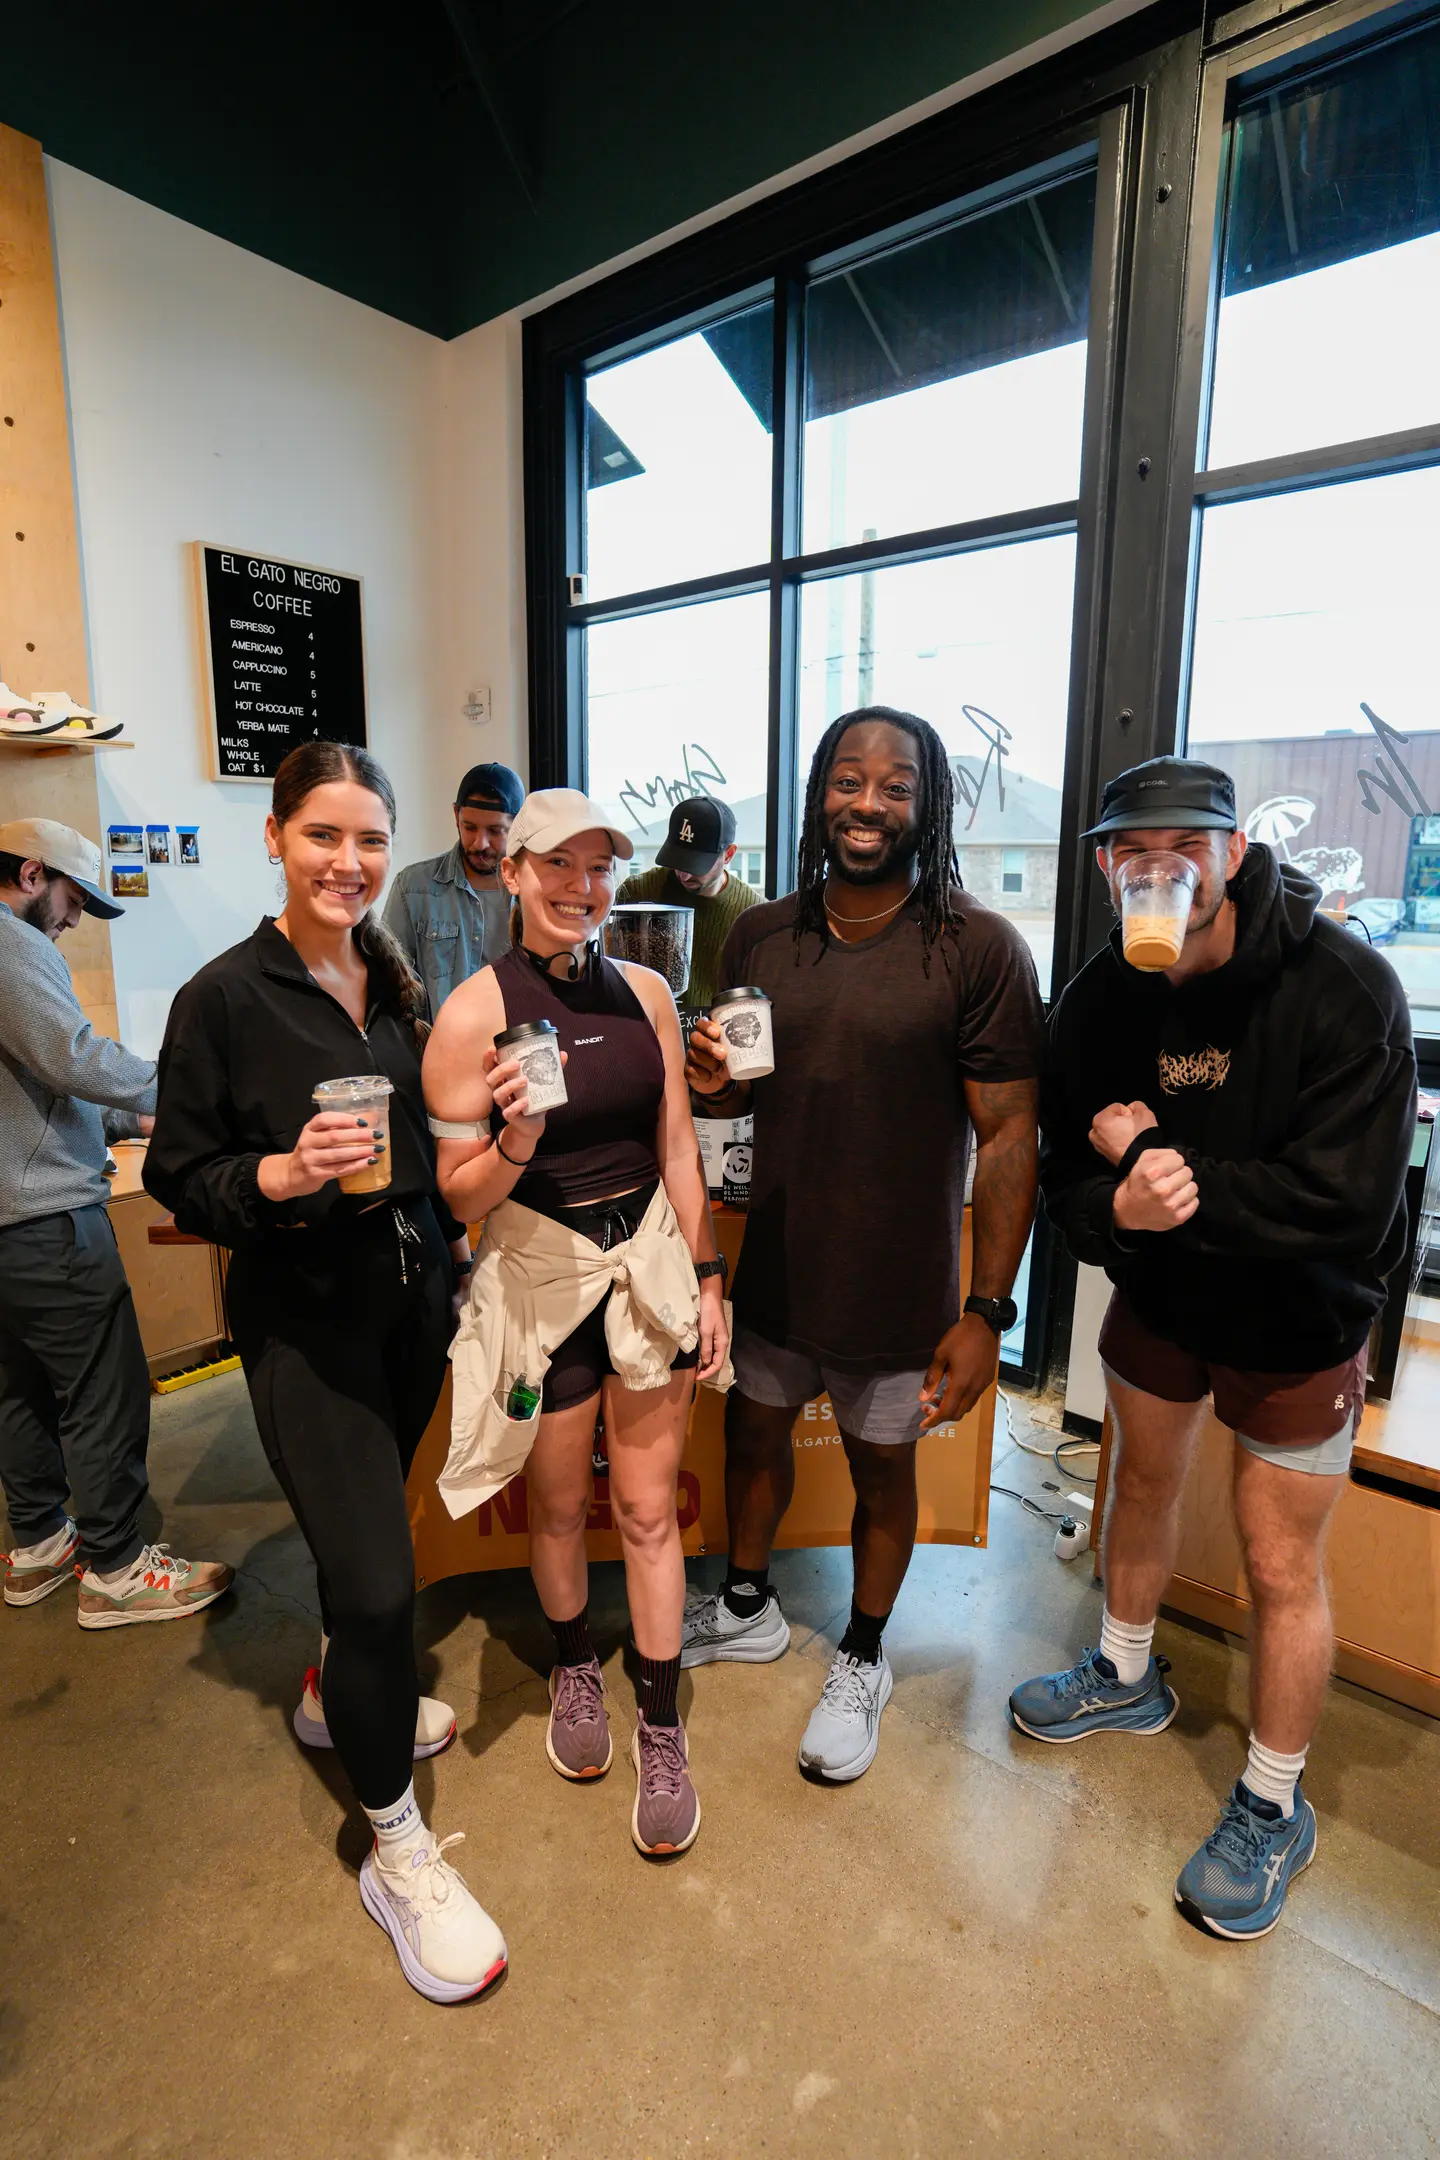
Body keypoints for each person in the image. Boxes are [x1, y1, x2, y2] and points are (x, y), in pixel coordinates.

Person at [1008, 755, 1415, 1941]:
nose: (1162, 871)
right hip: (1163, 1308)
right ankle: (1126, 1676)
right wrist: (1115, 1205)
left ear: (1233, 853)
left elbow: (1343, 1202)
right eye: (1135, 854)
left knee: (1279, 1563)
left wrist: (1163, 1179)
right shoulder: (1095, 1002)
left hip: (1301, 1318)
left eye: (1188, 847)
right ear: (1103, 869)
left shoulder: (1345, 987)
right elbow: (1066, 1189)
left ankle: (1273, 1804)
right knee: (1136, 1484)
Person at [144, 742, 505, 2005]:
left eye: (367, 839)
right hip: (304, 1324)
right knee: (373, 1580)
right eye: (321, 837)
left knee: (378, 1553)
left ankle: (325, 1692)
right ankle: (394, 1849)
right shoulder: (224, 997)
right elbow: (175, 1175)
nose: (347, 863)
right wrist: (280, 1180)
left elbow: (432, 1144)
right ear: (275, 838)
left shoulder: (392, 982)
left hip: (410, 1309)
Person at [682, 707, 1044, 1780]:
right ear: (819, 795)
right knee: (751, 1441)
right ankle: (747, 1603)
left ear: (926, 803)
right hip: (781, 1261)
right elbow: (739, 1088)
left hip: (899, 1280)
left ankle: (865, 1649)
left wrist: (987, 1313)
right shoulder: (765, 935)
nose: (869, 804)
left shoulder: (976, 946)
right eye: (849, 781)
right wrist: (712, 1083)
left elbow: (1011, 1133)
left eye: (895, 786)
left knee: (881, 1470)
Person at [424, 787, 729, 1859]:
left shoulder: (646, 990)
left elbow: (680, 1150)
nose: (581, 888)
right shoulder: (470, 1015)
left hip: (645, 1269)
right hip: (541, 1283)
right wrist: (517, 1138)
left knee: (648, 1514)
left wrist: (707, 1277)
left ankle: (658, 1723)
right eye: (558, 865)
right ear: (512, 872)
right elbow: (457, 1198)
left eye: (601, 868)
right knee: (558, 1511)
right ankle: (570, 1669)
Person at [0, 818, 232, 1627]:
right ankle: (117, 1567)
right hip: (46, 1219)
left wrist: (125, 1126)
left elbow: (27, 1095)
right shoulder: (11, 944)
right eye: (71, 900)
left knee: (22, 1385)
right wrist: (190, 1088)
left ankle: (38, 1544)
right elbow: (74, 1056)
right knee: (105, 1386)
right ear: (32, 874)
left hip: (6, 1224)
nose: (72, 920)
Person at [382, 761, 524, 1016]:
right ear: (455, 814)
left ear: (518, 826)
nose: (480, 843)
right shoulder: (413, 888)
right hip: (435, 1051)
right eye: (469, 827)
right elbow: (390, 986)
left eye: (495, 830)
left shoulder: (533, 892)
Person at [616, 795, 759, 1011]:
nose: (683, 874)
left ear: (728, 854)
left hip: (715, 1035)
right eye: (677, 860)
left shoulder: (752, 914)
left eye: (695, 865)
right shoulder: (639, 891)